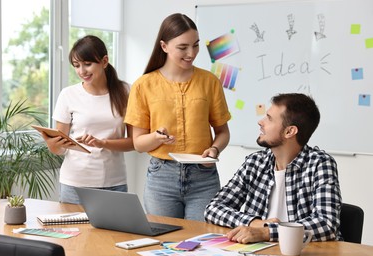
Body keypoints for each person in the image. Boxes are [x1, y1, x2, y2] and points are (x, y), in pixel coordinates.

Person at [124, 13, 231, 221]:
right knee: (163, 243)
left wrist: (215, 149)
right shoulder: (143, 85)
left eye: (196, 45)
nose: (191, 53)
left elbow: (223, 132)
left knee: (201, 245)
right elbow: (138, 144)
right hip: (161, 177)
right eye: (183, 47)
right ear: (164, 46)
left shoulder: (210, 82)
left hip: (204, 176)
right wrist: (156, 137)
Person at [205, 93, 342, 243]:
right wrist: (255, 223)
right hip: (259, 252)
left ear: (289, 131)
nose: (260, 122)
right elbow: (213, 208)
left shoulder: (320, 164)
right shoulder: (256, 162)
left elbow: (327, 224)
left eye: (269, 118)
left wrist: (267, 232)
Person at [42, 35, 133, 204]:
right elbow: (59, 148)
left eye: (87, 64)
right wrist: (52, 144)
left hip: (114, 182)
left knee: (113, 231)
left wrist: (103, 143)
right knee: (74, 231)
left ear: (104, 61)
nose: (81, 71)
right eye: (76, 66)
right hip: (74, 183)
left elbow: (134, 142)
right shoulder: (68, 95)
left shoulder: (126, 91)